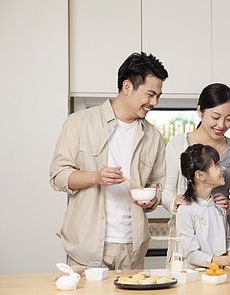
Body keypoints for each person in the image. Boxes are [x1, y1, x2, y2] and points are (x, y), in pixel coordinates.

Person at [49, 52, 169, 270]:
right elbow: (58, 176)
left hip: (133, 248)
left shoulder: (153, 137)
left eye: (158, 96)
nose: (155, 102)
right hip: (86, 246)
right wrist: (95, 177)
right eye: (150, 94)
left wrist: (152, 199)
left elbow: (159, 184)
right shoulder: (79, 123)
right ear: (127, 86)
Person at [161, 83, 230, 265]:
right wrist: (174, 202)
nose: (221, 125)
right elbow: (166, 190)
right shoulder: (178, 144)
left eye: (229, 118)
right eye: (215, 117)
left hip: (224, 236)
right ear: (200, 111)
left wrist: (229, 204)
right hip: (188, 237)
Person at [176, 144, 230, 268]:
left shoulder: (218, 205)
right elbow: (192, 255)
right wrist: (227, 261)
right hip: (196, 278)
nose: (223, 168)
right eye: (217, 165)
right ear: (200, 175)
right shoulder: (186, 209)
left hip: (218, 275)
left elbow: (226, 240)